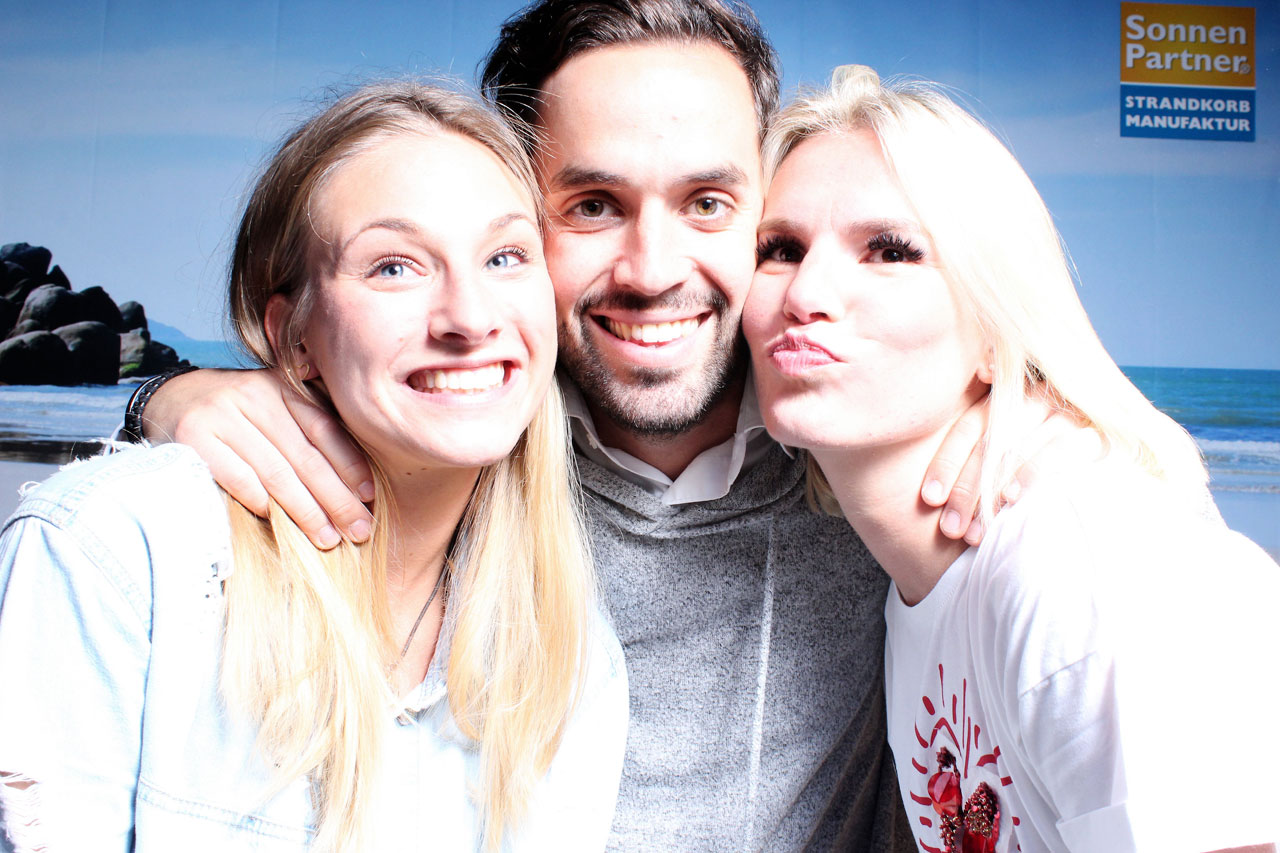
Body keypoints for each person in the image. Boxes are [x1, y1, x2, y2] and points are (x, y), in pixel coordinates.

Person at [125, 2, 1005, 848]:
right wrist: (165, 399)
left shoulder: (863, 441)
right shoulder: (460, 435)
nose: (652, 272)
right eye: (592, 205)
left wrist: (1025, 421)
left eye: (707, 202)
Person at [0, 81, 627, 852]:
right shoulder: (115, 554)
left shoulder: (571, 661)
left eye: (505, 256)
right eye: (394, 266)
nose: (470, 318)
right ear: (295, 336)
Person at [744, 64, 1280, 853]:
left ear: (998, 332)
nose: (805, 293)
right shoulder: (918, 593)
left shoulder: (1079, 565)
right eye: (780, 248)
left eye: (889, 251)